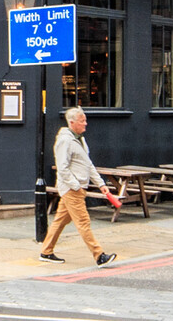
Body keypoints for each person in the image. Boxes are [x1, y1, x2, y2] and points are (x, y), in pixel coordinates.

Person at [39, 107, 117, 267]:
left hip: (76, 188)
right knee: (83, 222)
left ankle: (46, 252)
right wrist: (75, 186)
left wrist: (101, 184)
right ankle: (99, 255)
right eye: (82, 121)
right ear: (72, 122)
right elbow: (62, 167)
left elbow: (88, 164)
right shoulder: (65, 141)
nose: (86, 124)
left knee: (59, 221)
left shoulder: (80, 139)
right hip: (71, 190)